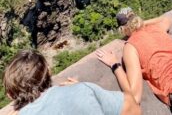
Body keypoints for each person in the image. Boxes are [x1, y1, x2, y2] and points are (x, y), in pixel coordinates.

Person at [3, 49, 141, 115]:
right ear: (49, 73)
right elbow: (133, 107)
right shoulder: (84, 91)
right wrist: (78, 90)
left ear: (10, 94)